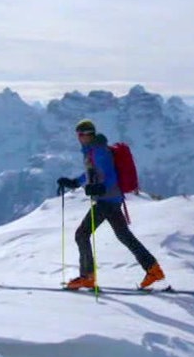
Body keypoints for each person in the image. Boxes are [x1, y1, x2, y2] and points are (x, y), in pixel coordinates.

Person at [55, 119, 165, 290]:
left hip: (106, 200)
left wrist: (100, 188)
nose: (78, 138)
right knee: (124, 235)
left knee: (81, 235)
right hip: (112, 200)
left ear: (87, 135)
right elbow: (91, 174)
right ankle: (153, 269)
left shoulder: (99, 151)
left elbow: (110, 175)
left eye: (80, 134)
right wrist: (74, 182)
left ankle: (87, 277)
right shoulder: (92, 151)